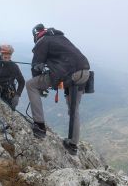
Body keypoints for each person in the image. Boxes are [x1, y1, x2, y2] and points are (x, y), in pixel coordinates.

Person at [26, 24, 90, 155]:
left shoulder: (43, 41)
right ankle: (72, 145)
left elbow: (36, 66)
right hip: (85, 73)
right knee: (74, 109)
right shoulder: (61, 38)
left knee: (31, 85)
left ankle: (39, 126)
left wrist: (40, 87)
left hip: (69, 73)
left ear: (36, 35)